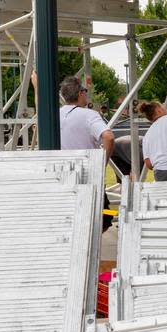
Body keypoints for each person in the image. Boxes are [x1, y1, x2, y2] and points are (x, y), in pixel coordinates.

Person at [55, 75, 115, 230]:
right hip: (87, 174)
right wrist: (103, 163)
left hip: (62, 174)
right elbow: (108, 136)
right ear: (80, 93)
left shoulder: (55, 115)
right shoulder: (89, 115)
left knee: (71, 216)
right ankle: (87, 244)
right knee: (103, 216)